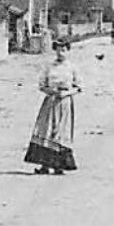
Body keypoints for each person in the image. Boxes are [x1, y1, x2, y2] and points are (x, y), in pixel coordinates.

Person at [25, 36, 80, 175]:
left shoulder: (72, 67)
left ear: (68, 50)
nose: (61, 53)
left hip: (65, 102)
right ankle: (44, 166)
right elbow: (42, 85)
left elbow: (78, 87)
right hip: (50, 101)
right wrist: (51, 91)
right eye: (58, 50)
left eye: (64, 50)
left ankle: (59, 166)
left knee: (60, 131)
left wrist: (67, 93)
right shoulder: (48, 66)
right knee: (46, 130)